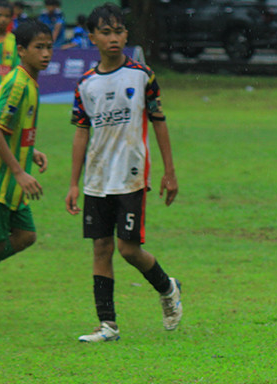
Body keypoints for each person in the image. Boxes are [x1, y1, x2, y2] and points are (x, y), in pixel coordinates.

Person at [65, 3, 181, 343]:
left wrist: (169, 172)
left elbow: (159, 123)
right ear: (92, 38)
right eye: (105, 32)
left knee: (128, 250)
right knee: (101, 248)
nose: (113, 38)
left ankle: (167, 287)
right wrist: (73, 182)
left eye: (118, 31)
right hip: (96, 180)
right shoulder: (85, 84)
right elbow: (81, 133)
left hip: (131, 177)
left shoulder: (142, 76)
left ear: (126, 35)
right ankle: (108, 325)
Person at [0, 19, 51, 285]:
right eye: (38, 47)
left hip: (9, 181)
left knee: (25, 235)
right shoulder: (18, 84)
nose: (45, 54)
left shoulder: (30, 82)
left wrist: (30, 150)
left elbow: (10, 128)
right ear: (21, 50)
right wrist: (20, 172)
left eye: (49, 47)